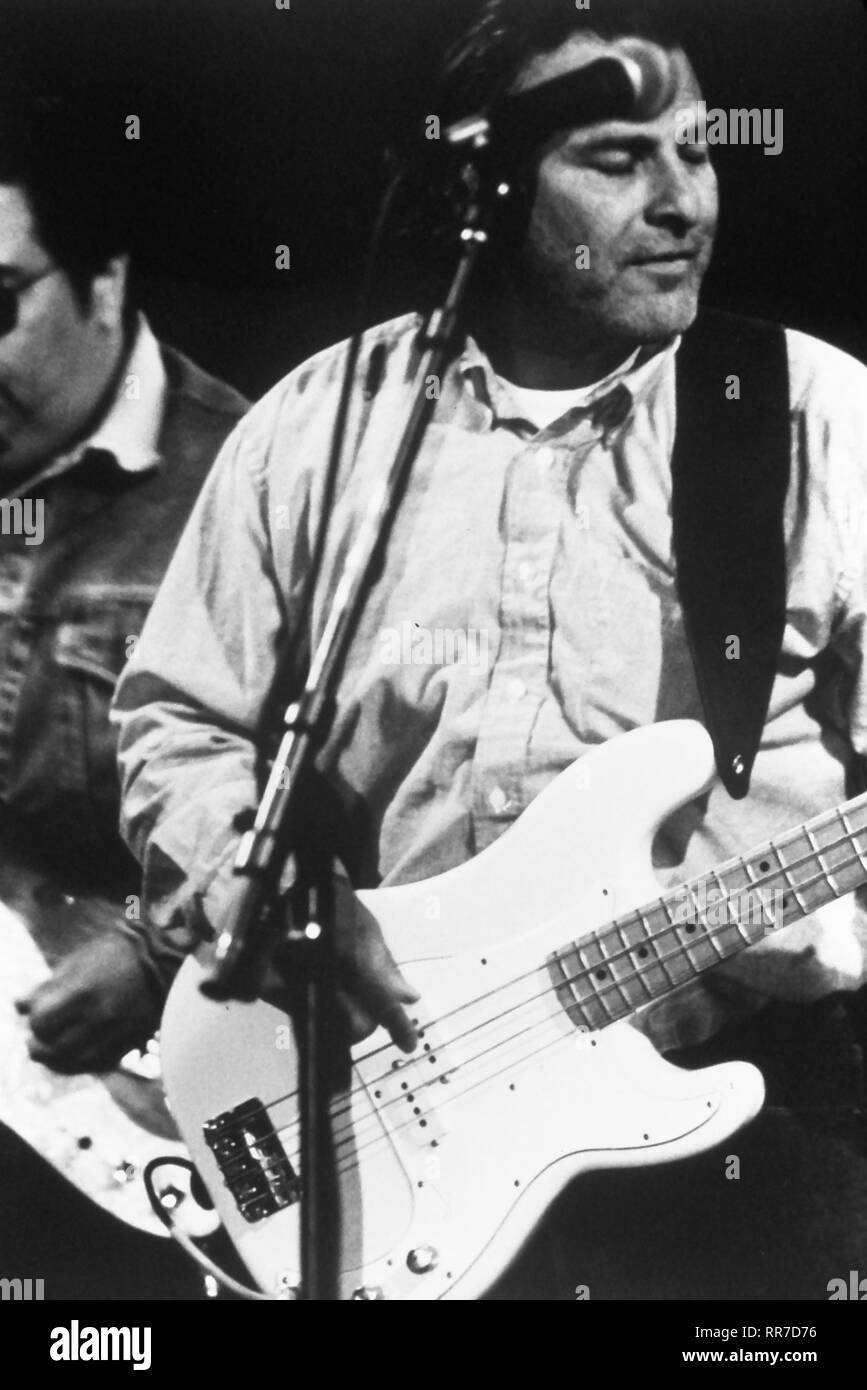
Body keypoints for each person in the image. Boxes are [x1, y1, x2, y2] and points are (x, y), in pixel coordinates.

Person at [113, 0, 867, 1300]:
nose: (684, 199)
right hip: (372, 1124)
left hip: (734, 1140)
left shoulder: (811, 419)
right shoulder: (318, 430)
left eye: (694, 150)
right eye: (621, 160)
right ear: (484, 190)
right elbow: (179, 722)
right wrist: (257, 875)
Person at [0, 89, 248, 1300]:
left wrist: (155, 950)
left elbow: (356, 816)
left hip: (140, 1115)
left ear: (106, 280)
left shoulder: (252, 490)